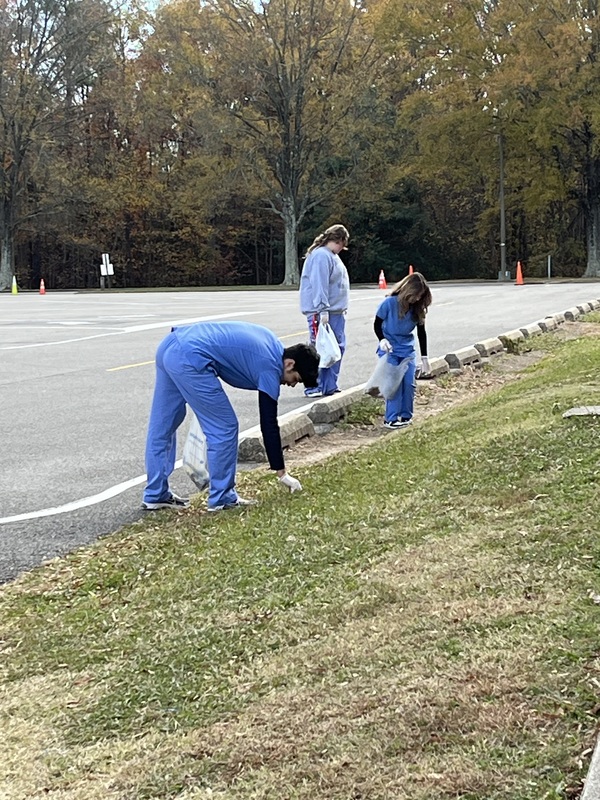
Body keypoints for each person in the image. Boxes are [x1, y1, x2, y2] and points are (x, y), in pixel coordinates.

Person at [142, 321, 319, 512]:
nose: (291, 384)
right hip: (190, 356)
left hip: (171, 344)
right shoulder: (270, 367)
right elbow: (268, 423)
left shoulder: (271, 343)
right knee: (224, 427)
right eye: (296, 379)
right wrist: (282, 473)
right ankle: (222, 498)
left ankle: (155, 494)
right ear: (290, 364)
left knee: (163, 425)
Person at [373, 271, 432, 430]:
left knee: (408, 383)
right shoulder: (389, 303)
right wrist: (382, 339)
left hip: (406, 348)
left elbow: (421, 332)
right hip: (389, 348)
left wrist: (424, 357)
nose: (417, 299)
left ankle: (406, 416)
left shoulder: (417, 309)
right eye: (416, 295)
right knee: (394, 384)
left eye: (420, 296)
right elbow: (377, 323)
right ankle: (391, 418)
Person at [299, 223, 350, 397]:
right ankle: (313, 385)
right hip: (323, 312)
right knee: (320, 349)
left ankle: (329, 385)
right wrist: (322, 310)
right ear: (339, 240)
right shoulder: (321, 256)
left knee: (334, 349)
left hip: (336, 311)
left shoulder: (331, 256)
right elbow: (319, 284)